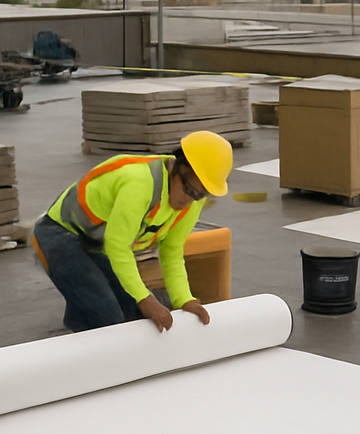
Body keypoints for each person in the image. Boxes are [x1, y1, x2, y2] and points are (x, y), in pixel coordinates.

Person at [33, 131, 232, 333]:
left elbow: (172, 250)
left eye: (199, 195)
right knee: (107, 314)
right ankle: (85, 332)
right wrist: (146, 299)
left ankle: (83, 324)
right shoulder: (139, 183)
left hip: (96, 241)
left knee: (131, 311)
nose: (188, 199)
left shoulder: (192, 201)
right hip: (59, 233)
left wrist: (184, 299)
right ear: (177, 166)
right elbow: (118, 246)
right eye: (188, 189)